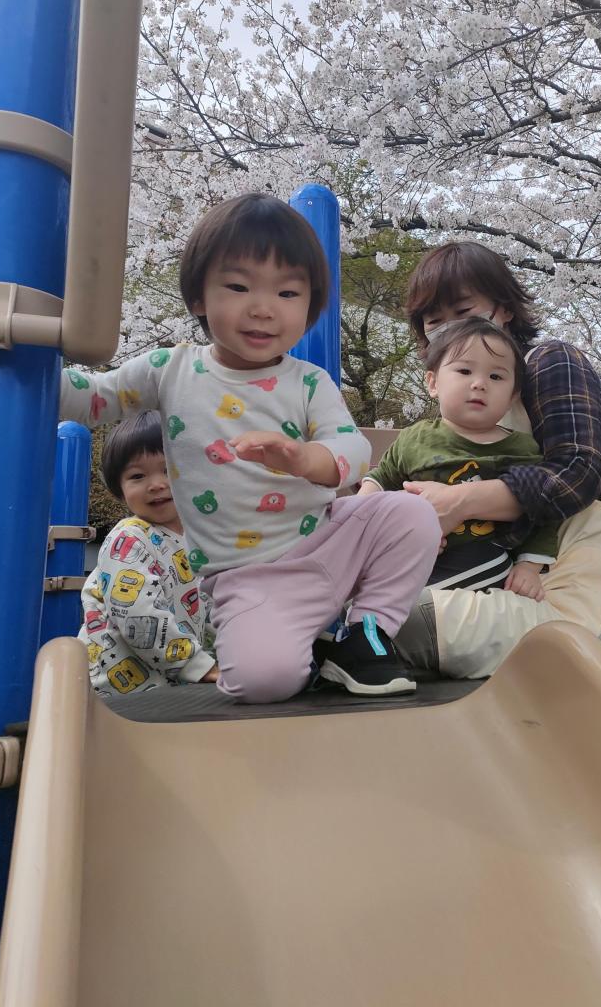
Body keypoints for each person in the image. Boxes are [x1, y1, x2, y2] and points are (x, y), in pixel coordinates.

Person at [63, 192, 440, 702]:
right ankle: (313, 644)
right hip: (250, 576)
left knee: (411, 515)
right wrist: (35, 357)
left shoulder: (309, 381)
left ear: (309, 307)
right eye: (238, 286)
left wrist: (306, 458)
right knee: (264, 683)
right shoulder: (169, 371)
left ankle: (363, 635)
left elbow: (351, 447)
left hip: (328, 539)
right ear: (199, 297)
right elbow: (95, 399)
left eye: (288, 294)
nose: (263, 309)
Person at [395, 241, 601, 678]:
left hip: (564, 567)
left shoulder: (548, 361)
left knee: (408, 621)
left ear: (503, 309)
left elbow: (578, 473)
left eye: (464, 312)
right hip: (480, 577)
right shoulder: (455, 411)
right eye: (435, 323)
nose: (451, 331)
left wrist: (460, 501)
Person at [359, 317, 557, 600]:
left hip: (485, 557)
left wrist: (529, 566)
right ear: (433, 382)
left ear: (513, 395)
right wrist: (362, 506)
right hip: (413, 556)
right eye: (464, 370)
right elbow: (382, 478)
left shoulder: (521, 449)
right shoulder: (415, 438)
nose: (479, 384)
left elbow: (544, 514)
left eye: (496, 377)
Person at [79, 411, 218, 696]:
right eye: (138, 476)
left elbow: (212, 608)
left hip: (171, 687)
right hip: (117, 691)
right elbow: (138, 616)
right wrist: (200, 666)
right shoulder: (129, 538)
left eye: (169, 470)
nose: (156, 484)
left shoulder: (199, 543)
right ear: (120, 490)